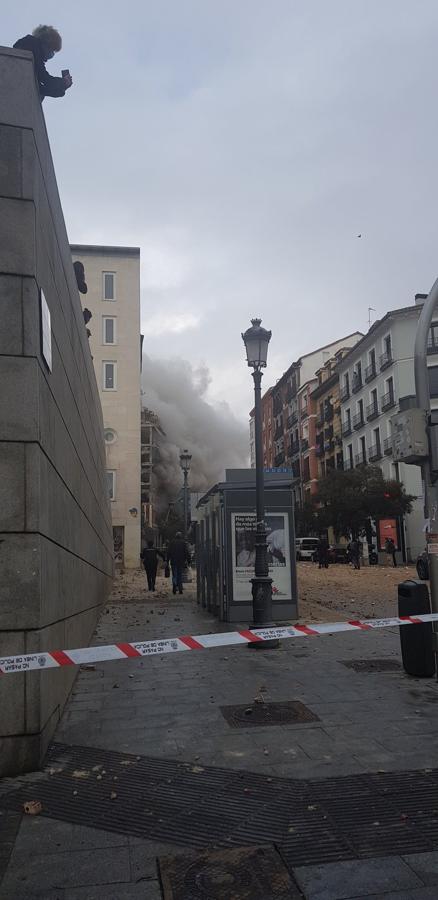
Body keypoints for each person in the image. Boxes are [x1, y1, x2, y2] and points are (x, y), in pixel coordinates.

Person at [14, 25, 73, 101]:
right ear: (46, 42)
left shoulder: (36, 59)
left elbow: (41, 89)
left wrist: (63, 87)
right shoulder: (32, 43)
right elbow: (44, 78)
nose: (52, 54)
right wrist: (62, 82)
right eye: (52, 49)